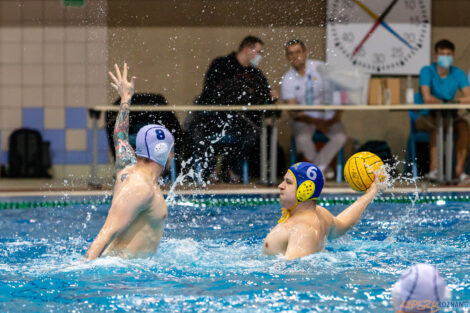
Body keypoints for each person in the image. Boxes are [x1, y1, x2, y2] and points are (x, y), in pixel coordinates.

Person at [85, 63, 175, 260]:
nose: (173, 155)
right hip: (124, 278)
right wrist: (81, 274)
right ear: (165, 153)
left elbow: (120, 136)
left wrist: (126, 99)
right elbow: (104, 234)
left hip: (129, 273)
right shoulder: (140, 187)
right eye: (171, 150)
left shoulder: (128, 168)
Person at [186, 35, 278, 182]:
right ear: (248, 49)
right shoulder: (221, 64)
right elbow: (210, 92)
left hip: (240, 121)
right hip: (215, 117)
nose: (260, 56)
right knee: (196, 129)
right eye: (259, 52)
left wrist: (271, 96)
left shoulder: (256, 74)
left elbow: (264, 98)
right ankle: (209, 171)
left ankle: (231, 169)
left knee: (252, 133)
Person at [262, 162, 382, 260]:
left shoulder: (302, 231)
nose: (280, 186)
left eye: (288, 182)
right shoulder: (321, 214)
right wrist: (370, 193)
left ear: (305, 190)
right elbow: (344, 223)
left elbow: (293, 275)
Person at [281, 39, 346, 178]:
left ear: (306, 52)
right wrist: (317, 123)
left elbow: (340, 92)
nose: (295, 56)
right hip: (303, 120)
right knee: (303, 138)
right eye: (290, 53)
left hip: (328, 117)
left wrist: (336, 117)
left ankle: (316, 168)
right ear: (287, 57)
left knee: (340, 136)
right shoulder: (287, 79)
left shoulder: (320, 68)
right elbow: (293, 112)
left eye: (298, 52)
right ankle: (322, 168)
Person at [416, 39, 470, 182]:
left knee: (464, 126)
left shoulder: (457, 73)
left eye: (448, 54)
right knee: (436, 126)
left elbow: (469, 96)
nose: (445, 57)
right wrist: (448, 101)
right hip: (425, 117)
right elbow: (427, 97)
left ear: (453, 56)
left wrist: (454, 101)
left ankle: (459, 171)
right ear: (435, 56)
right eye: (442, 54)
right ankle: (435, 170)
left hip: (450, 118)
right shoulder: (427, 71)